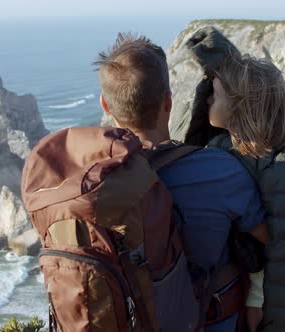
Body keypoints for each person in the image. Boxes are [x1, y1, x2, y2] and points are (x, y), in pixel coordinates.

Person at [95, 32, 269, 332]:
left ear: (105, 105)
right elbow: (270, 237)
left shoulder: (88, 178)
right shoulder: (222, 171)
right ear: (168, 102)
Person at [203, 52, 285, 331]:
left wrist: (255, 299)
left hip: (264, 309)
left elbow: (277, 247)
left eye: (214, 93)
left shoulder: (254, 167)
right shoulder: (277, 153)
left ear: (240, 108)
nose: (207, 99)